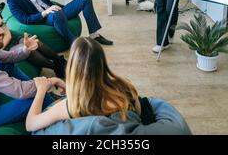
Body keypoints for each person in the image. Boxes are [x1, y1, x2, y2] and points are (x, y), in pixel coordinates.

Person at [25, 37, 158, 132]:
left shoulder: (72, 106)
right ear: (102, 61)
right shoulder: (125, 86)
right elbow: (139, 114)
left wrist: (41, 90)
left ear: (72, 68)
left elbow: (30, 124)